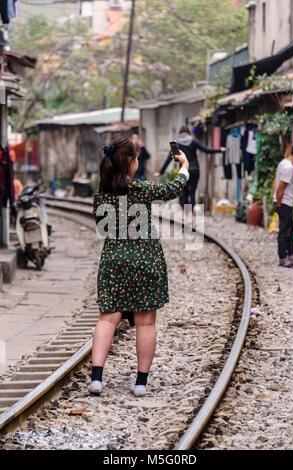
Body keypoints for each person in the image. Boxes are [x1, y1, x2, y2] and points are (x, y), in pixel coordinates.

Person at [89, 136, 189, 397]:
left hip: (114, 261)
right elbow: (172, 189)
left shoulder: (102, 194)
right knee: (145, 323)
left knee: (108, 318)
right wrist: (184, 167)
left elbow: (103, 229)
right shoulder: (142, 189)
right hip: (146, 259)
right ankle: (141, 383)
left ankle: (97, 379)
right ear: (132, 162)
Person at [154, 126, 225, 213]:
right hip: (195, 168)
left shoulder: (176, 143)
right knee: (193, 191)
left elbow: (169, 158)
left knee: (185, 191)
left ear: (180, 133)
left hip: (184, 170)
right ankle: (191, 212)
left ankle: (187, 213)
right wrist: (219, 150)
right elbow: (206, 149)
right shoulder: (193, 140)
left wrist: (160, 172)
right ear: (188, 132)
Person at [273, 143, 293, 268]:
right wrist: (279, 203)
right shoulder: (289, 168)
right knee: (284, 232)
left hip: (284, 202)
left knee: (290, 230)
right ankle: (283, 259)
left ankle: (292, 257)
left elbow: (275, 181)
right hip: (284, 202)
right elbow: (281, 187)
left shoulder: (283, 163)